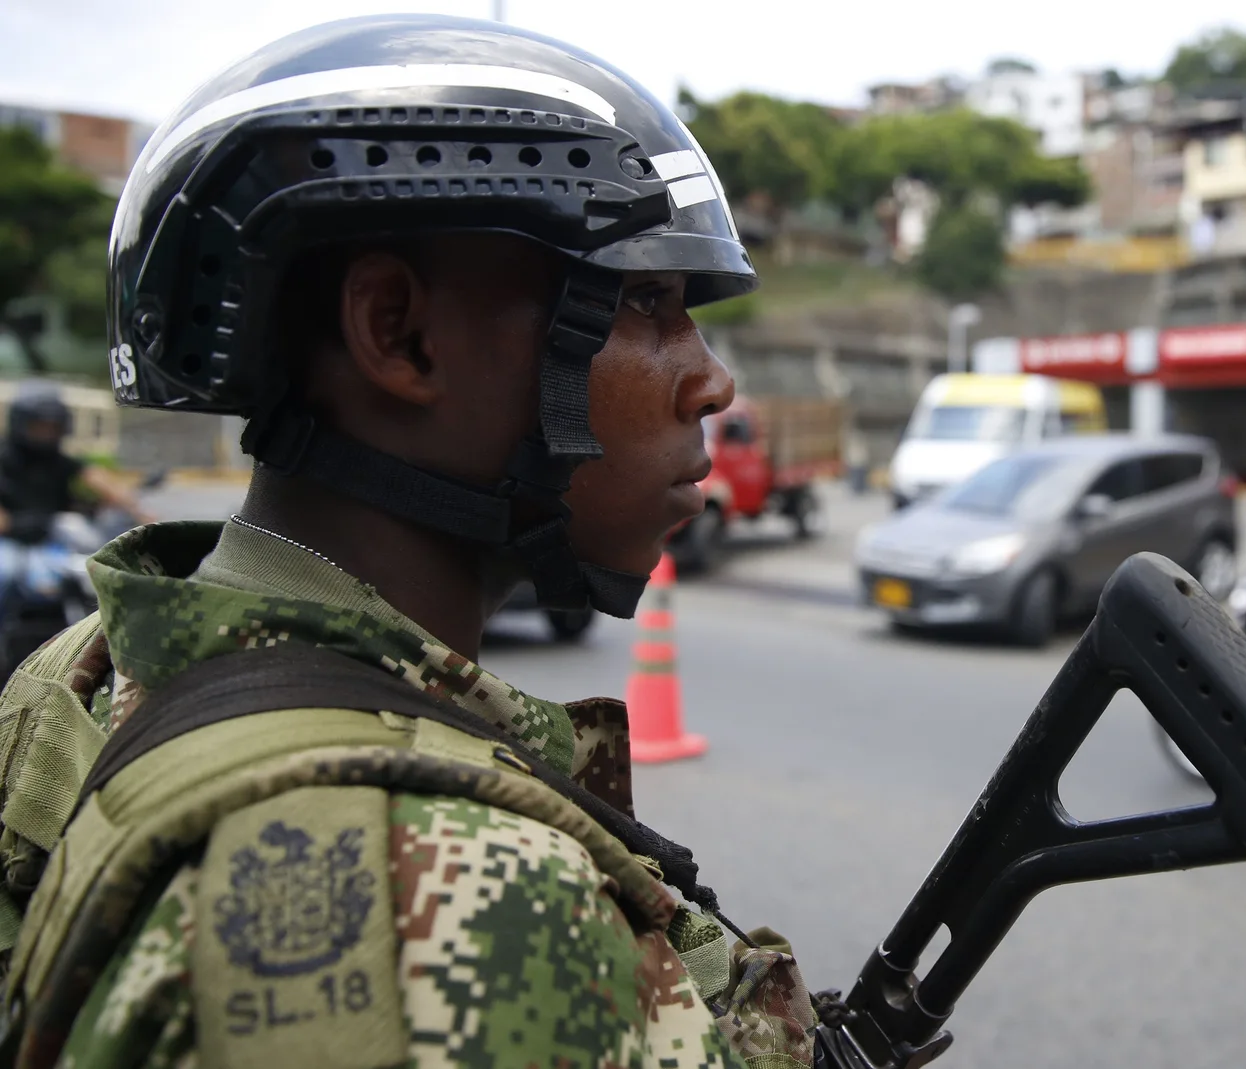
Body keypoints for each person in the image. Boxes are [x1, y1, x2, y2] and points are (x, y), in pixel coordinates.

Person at [0, 16, 812, 1069]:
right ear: (400, 333)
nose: (711, 379)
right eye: (646, 299)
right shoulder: (461, 897)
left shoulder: (70, 682)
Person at [0, 386, 154, 614]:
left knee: (96, 568)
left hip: (52, 539)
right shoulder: (6, 458)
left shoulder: (56, 460)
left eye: (53, 427)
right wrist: (24, 522)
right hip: (10, 539)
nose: (47, 433)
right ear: (21, 423)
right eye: (40, 426)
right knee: (6, 572)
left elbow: (96, 478)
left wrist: (139, 512)